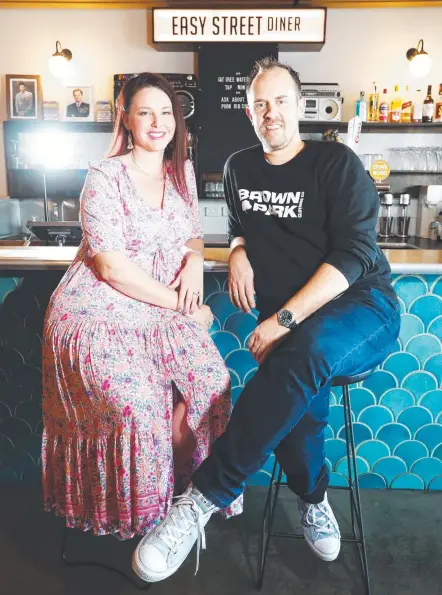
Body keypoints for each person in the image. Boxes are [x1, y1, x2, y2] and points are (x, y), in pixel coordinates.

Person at [132, 58, 401, 582]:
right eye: (260, 104)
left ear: (299, 107)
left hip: (362, 307)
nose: (270, 112)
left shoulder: (336, 164)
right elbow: (238, 221)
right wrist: (235, 249)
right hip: (298, 325)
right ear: (250, 113)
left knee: (301, 356)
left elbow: (354, 254)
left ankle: (200, 499)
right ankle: (314, 496)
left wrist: (283, 318)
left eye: (280, 101)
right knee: (294, 400)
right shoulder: (239, 167)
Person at [41, 72, 242, 540]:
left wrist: (194, 260)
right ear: (126, 118)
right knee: (136, 406)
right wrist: (181, 304)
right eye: (145, 111)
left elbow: (192, 234)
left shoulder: (183, 171)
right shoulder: (104, 177)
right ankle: (142, 519)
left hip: (156, 312)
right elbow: (110, 268)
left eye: (166, 112)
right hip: (96, 311)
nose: (158, 122)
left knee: (211, 383)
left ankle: (185, 501)